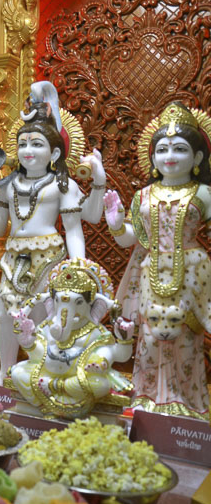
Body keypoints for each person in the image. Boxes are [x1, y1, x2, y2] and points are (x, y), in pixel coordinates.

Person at [0, 81, 106, 385]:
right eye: (23, 144)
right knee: (5, 315)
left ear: (54, 152)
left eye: (36, 144)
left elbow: (78, 226)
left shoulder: (61, 184)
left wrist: (77, 265)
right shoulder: (9, 184)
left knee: (43, 316)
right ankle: (5, 371)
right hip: (13, 257)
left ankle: (39, 372)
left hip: (48, 257)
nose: (28, 151)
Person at [104, 101, 211, 421]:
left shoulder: (204, 194)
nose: (169, 156)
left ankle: (186, 401)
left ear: (198, 158)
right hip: (150, 272)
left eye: (179, 149)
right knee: (150, 338)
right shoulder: (143, 196)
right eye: (162, 149)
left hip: (192, 273)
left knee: (185, 337)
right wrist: (115, 223)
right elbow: (132, 239)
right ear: (152, 157)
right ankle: (147, 395)